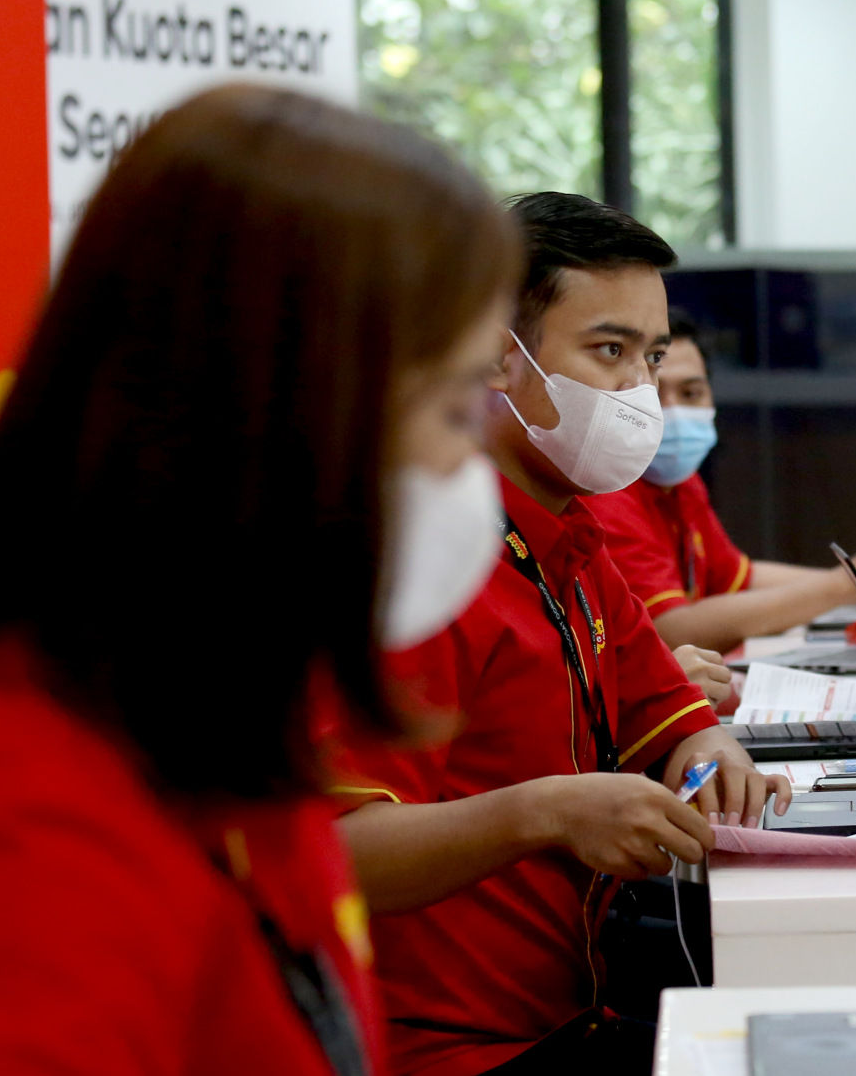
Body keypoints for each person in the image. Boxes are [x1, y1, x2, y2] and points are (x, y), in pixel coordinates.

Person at [0, 87, 522, 1074]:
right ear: (290, 412)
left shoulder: (219, 736)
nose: (473, 466)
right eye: (455, 411)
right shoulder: (23, 841)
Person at [330, 192, 791, 1076]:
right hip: (450, 1053)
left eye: (650, 358)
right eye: (608, 351)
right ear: (498, 358)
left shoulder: (571, 532)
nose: (638, 391)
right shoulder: (417, 563)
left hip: (570, 1010)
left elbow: (671, 709)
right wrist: (545, 813)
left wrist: (711, 749)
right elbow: (337, 852)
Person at [588, 310, 856, 655]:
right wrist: (847, 586)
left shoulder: (680, 482)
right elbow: (670, 629)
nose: (673, 410)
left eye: (691, 393)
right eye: (654, 393)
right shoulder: (608, 490)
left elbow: (738, 579)